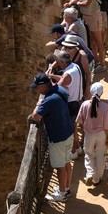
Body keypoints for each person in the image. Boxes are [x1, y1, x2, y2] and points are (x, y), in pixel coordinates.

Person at [29, 73, 76, 202]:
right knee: (66, 162)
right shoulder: (59, 89)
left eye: (38, 88)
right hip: (68, 132)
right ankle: (66, 189)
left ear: (44, 86)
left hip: (58, 138)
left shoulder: (49, 100)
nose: (37, 90)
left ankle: (62, 194)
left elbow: (36, 116)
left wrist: (39, 103)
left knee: (60, 166)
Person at [78, 83, 108, 188]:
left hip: (89, 134)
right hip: (101, 134)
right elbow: (107, 126)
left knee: (89, 154)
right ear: (101, 93)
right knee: (100, 156)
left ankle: (90, 173)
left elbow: (80, 121)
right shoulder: (105, 107)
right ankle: (97, 179)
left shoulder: (84, 104)